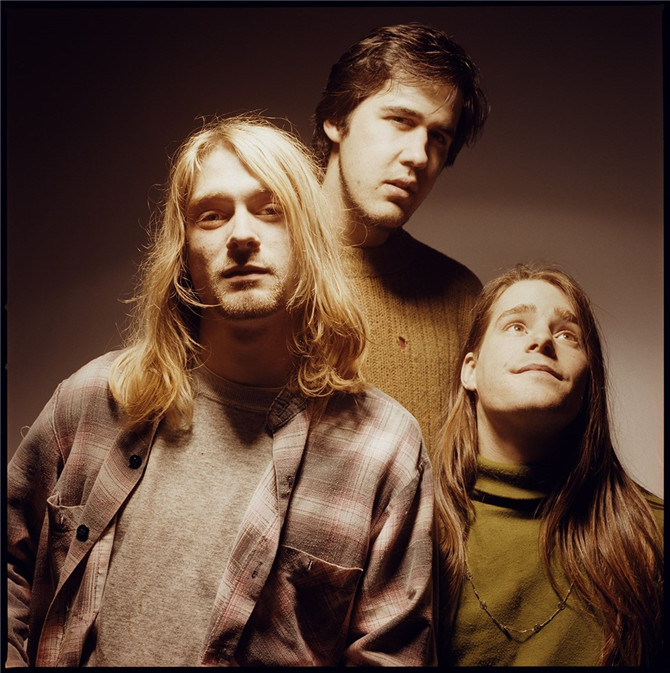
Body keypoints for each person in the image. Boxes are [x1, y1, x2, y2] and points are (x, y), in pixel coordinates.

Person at [6, 115, 437, 667]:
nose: (241, 235)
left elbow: (392, 656)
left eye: (270, 209)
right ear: (183, 252)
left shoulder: (383, 447)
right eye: (212, 215)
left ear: (309, 238)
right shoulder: (94, 399)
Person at [433, 263, 663, 666]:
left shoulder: (652, 534)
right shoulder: (413, 525)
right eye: (516, 326)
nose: (542, 339)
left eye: (567, 334)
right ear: (471, 370)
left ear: (589, 381)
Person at [313, 22, 490, 460]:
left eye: (439, 137)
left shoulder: (462, 297)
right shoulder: (253, 270)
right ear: (336, 120)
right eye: (400, 121)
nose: (418, 155)